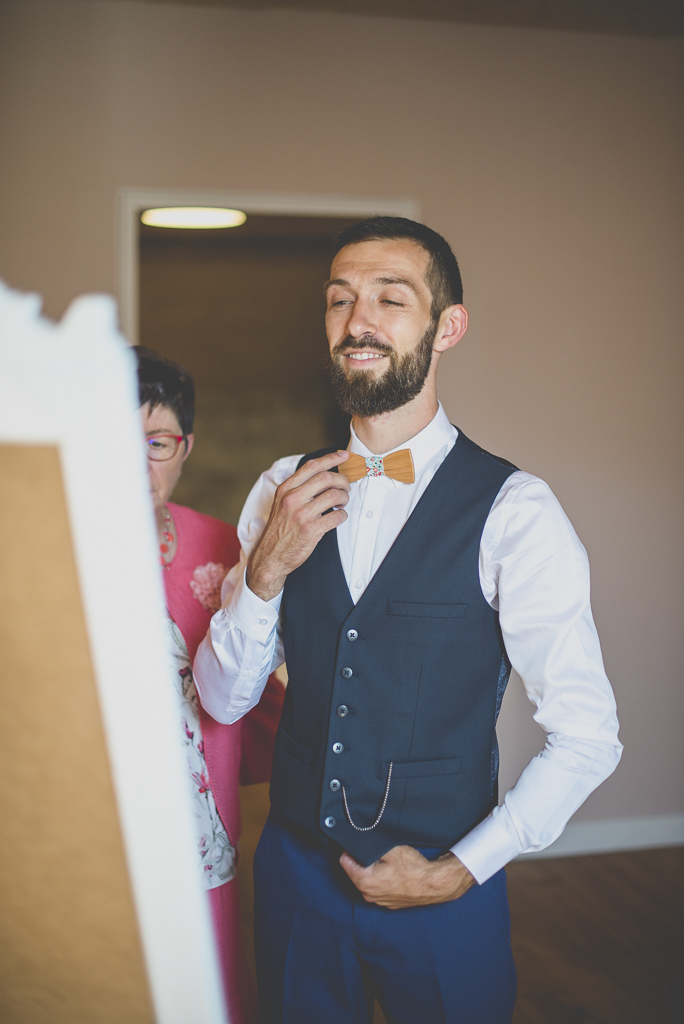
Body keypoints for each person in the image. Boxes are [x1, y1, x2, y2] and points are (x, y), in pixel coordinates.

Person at [193, 218, 623, 1024]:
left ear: (446, 326)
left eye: (392, 299)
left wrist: (464, 868)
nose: (359, 321)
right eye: (340, 300)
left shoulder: (516, 512)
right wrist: (265, 569)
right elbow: (221, 702)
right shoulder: (281, 487)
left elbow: (588, 734)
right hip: (293, 875)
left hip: (442, 885)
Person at [136, 346, 284, 1024]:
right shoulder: (37, 551)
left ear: (185, 445)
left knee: (209, 984)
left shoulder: (227, 550)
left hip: (202, 822)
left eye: (156, 442)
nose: (134, 462)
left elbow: (260, 696)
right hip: (95, 823)